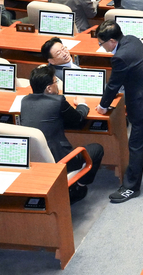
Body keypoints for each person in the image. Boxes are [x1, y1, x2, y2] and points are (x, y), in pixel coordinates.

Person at [96, 20, 143, 201]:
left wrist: (103, 106)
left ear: (112, 42)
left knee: (137, 146)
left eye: (102, 43)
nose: (101, 47)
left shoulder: (120, 57)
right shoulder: (131, 39)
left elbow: (113, 84)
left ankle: (131, 187)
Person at [21, 65, 105, 199]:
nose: (57, 85)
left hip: (34, 160)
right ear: (48, 88)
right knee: (97, 149)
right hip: (61, 160)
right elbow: (78, 119)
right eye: (56, 81)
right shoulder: (57, 101)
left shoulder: (24, 101)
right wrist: (82, 104)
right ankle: (79, 187)